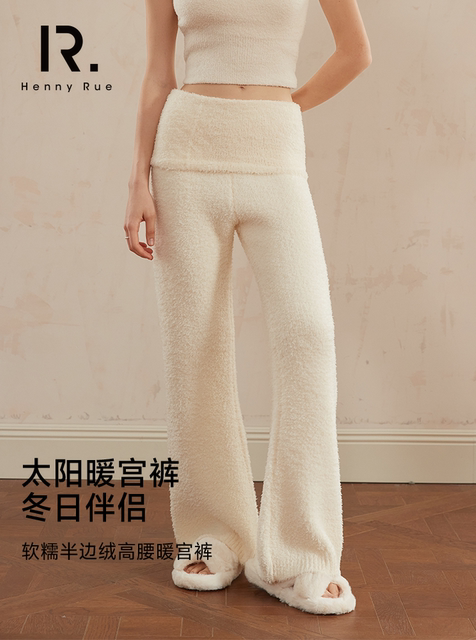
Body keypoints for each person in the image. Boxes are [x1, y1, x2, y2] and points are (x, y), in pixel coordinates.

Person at [124, 0, 371, 616]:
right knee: (196, 345)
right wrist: (137, 181)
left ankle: (300, 552)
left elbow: (355, 52)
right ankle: (212, 535)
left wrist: (286, 107)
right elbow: (158, 75)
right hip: (185, 153)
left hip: (275, 154)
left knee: (309, 333)